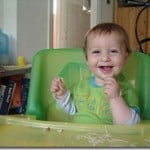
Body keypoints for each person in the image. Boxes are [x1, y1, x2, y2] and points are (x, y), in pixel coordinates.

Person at [50, 22, 140, 125]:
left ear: (125, 57)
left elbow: (131, 124)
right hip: (79, 137)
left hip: (109, 139)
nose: (105, 58)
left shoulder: (126, 90)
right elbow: (72, 110)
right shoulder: (81, 86)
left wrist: (115, 98)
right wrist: (62, 95)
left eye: (113, 51)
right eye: (97, 52)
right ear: (87, 59)